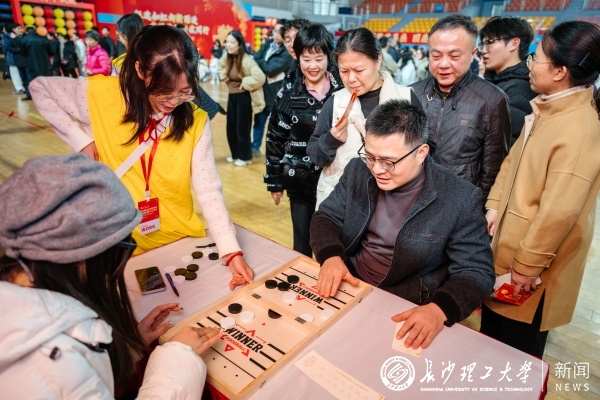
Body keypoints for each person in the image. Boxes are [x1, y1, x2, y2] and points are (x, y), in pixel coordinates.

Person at [30, 25, 254, 291]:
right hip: (118, 241)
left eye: (184, 92)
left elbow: (208, 190)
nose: (174, 101)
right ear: (140, 71)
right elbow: (40, 88)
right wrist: (81, 141)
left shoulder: (195, 121)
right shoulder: (102, 95)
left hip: (176, 237)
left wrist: (230, 250)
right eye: (164, 91)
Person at [0, 153, 220, 398]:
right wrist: (177, 357)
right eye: (115, 256)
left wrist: (131, 345)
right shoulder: (54, 365)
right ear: (84, 258)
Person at [310, 99, 495, 350]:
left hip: (407, 302)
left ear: (421, 153)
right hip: (351, 284)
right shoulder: (358, 171)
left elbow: (476, 271)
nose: (377, 169)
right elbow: (326, 217)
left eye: (389, 161)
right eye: (370, 157)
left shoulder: (458, 197)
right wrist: (331, 256)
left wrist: (439, 309)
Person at [481, 21, 600, 358]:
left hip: (527, 268)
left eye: (537, 58)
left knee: (513, 356)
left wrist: (526, 267)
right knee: (490, 345)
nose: (530, 64)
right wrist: (494, 204)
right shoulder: (548, 109)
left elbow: (559, 213)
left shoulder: (579, 129)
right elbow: (511, 163)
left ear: (560, 71)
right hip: (508, 249)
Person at [307, 27, 421, 209]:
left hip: (390, 208)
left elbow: (421, 155)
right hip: (338, 206)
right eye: (344, 71)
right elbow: (315, 156)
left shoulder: (406, 98)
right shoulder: (335, 102)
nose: (351, 79)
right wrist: (331, 139)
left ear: (378, 60)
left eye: (359, 70)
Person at [410, 14, 511, 206]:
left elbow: (492, 169)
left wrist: (481, 209)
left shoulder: (492, 100)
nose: (443, 64)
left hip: (460, 203)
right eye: (436, 56)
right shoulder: (412, 93)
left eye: (454, 56)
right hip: (414, 200)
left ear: (473, 54)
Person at [264, 23, 342, 257]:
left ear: (329, 56)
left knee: (335, 244)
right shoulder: (287, 92)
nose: (313, 66)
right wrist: (275, 181)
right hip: (299, 179)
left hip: (337, 180)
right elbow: (275, 137)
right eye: (306, 59)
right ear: (297, 57)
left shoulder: (343, 88)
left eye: (319, 58)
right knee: (302, 245)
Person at [479, 16, 537, 146]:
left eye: (490, 42)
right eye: (482, 44)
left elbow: (500, 147)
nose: (483, 51)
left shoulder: (517, 90)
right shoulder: (500, 82)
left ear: (514, 43)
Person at [218, 30, 266, 167]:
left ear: (239, 44)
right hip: (232, 95)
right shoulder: (226, 57)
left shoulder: (246, 60)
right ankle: (235, 155)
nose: (228, 45)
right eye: (227, 42)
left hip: (244, 97)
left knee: (242, 128)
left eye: (232, 42)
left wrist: (245, 82)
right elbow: (220, 68)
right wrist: (225, 77)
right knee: (231, 128)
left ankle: (245, 157)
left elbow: (260, 77)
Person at [251, 19, 293, 158]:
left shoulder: (287, 52)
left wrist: (259, 62)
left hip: (275, 94)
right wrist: (260, 62)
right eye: (275, 31)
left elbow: (270, 70)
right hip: (260, 91)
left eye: (280, 32)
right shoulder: (268, 44)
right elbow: (254, 58)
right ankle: (255, 147)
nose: (276, 34)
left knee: (275, 127)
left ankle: (274, 154)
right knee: (258, 122)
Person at [2, 23, 26, 94]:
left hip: (12, 58)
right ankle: (23, 88)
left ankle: (19, 88)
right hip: (17, 58)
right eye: (19, 28)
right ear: (13, 29)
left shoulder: (7, 37)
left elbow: (4, 49)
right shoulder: (19, 37)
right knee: (18, 73)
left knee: (15, 74)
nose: (20, 30)